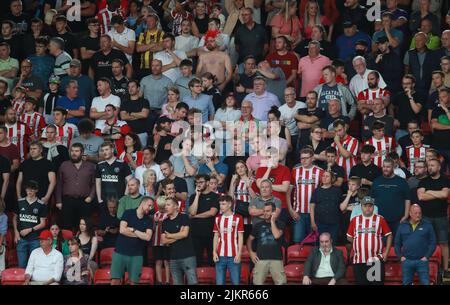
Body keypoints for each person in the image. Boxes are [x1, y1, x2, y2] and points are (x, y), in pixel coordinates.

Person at [347, 195, 392, 285]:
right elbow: (349, 236)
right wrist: (358, 243)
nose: (368, 208)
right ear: (361, 207)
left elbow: (389, 235)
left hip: (376, 260)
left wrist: (386, 253)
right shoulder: (355, 220)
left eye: (370, 206)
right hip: (359, 261)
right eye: (365, 206)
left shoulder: (380, 219)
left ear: (373, 207)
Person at [417, 158, 450, 278]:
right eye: (429, 165)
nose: (430, 167)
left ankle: (445, 269)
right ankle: (427, 267)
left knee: (444, 243)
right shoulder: (423, 181)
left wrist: (429, 192)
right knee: (425, 243)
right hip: (426, 217)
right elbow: (421, 197)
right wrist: (438, 193)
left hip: (441, 217)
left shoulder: (445, 180)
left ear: (439, 167)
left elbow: (445, 194)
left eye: (432, 165)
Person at [110, 196, 153, 285]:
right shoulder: (128, 213)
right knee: (115, 281)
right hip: (120, 252)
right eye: (149, 205)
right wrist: (140, 235)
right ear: (143, 203)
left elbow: (148, 237)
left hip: (137, 255)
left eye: (151, 207)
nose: (150, 208)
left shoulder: (148, 220)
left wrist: (133, 230)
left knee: (134, 282)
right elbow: (122, 230)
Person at [56, 143, 96, 231]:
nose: (74, 153)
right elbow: (59, 184)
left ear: (82, 153)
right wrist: (58, 200)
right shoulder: (64, 165)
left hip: (84, 201)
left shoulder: (90, 166)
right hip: (67, 201)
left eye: (76, 151)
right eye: (72, 151)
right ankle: (66, 245)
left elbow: (94, 183)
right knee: (66, 226)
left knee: (83, 228)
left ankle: (82, 244)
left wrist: (91, 196)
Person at [288, 147, 324, 243]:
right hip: (298, 213)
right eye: (301, 158)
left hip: (315, 213)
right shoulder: (295, 171)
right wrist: (291, 210)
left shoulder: (320, 172)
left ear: (312, 158)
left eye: (306, 158)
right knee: (297, 240)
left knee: (314, 241)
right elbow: (288, 191)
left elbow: (323, 192)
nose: (303, 160)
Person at [394, 204, 436, 285]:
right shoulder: (402, 226)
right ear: (410, 213)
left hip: (422, 261)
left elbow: (433, 242)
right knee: (406, 283)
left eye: (420, 213)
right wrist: (400, 256)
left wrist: (427, 256)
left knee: (425, 283)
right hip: (407, 261)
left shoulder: (427, 225)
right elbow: (397, 243)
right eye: (416, 213)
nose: (418, 215)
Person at [247, 201, 286, 285]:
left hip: (276, 259)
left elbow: (276, 235)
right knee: (257, 283)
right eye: (264, 211)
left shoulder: (281, 224)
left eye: (268, 211)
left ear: (274, 212)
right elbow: (249, 239)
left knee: (281, 283)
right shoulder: (258, 225)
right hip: (261, 260)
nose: (265, 213)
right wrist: (251, 252)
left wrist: (272, 221)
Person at [161, 197, 198, 285]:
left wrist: (170, 236)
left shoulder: (184, 217)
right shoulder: (165, 222)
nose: (166, 207)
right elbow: (164, 241)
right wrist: (179, 235)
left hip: (188, 257)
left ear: (176, 207)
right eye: (165, 205)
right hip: (173, 258)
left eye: (168, 205)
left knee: (192, 282)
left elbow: (184, 234)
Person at [371, 158, 411, 236]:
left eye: (388, 167)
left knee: (398, 244)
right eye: (384, 167)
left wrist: (406, 215)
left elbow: (407, 199)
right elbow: (372, 199)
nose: (385, 169)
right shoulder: (376, 181)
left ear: (393, 167)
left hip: (398, 220)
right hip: (380, 219)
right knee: (382, 244)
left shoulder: (402, 181)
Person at [13, 180, 47, 268]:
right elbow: (14, 219)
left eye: (32, 190)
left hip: (35, 239)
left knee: (34, 265)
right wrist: (16, 233)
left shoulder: (41, 204)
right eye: (28, 189)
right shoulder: (20, 202)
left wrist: (29, 230)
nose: (29, 192)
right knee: (22, 265)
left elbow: (43, 223)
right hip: (21, 239)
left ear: (36, 190)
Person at [188, 174, 219, 266]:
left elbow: (212, 212)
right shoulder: (193, 196)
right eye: (197, 182)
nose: (198, 184)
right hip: (196, 234)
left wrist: (196, 216)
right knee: (197, 261)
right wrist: (197, 195)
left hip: (211, 233)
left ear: (208, 182)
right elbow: (192, 212)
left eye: (201, 182)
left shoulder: (215, 196)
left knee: (212, 260)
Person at [213, 195, 244, 285]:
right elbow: (215, 236)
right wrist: (214, 252)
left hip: (234, 256)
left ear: (230, 204)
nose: (221, 206)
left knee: (236, 282)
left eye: (223, 204)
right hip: (220, 255)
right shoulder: (217, 218)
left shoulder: (238, 218)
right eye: (220, 204)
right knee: (219, 283)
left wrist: (239, 254)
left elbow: (241, 237)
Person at [310, 170, 342, 242]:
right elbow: (312, 207)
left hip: (334, 223)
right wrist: (312, 221)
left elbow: (341, 206)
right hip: (319, 222)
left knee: (333, 243)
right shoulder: (316, 191)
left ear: (332, 179)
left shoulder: (337, 191)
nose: (324, 178)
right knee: (320, 244)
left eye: (327, 176)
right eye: (323, 176)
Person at [403, 32, 438, 96]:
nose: (417, 42)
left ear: (425, 41)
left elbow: (434, 71)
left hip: (428, 86)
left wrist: (433, 87)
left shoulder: (432, 54)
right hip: (413, 87)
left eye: (420, 40)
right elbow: (406, 70)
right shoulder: (409, 53)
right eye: (416, 40)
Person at [391, 75, 426, 140]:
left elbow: (416, 110)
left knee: (415, 149)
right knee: (400, 149)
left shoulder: (420, 95)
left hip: (415, 130)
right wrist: (393, 119)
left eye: (408, 83)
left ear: (413, 84)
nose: (405, 86)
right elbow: (391, 106)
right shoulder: (399, 95)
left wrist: (410, 96)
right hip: (401, 129)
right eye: (403, 83)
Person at [136, 14, 165, 78]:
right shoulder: (142, 34)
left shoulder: (161, 33)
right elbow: (138, 49)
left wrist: (144, 46)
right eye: (147, 21)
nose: (148, 23)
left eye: (151, 21)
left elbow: (160, 48)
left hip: (157, 67)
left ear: (156, 22)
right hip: (144, 67)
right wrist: (153, 44)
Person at [152, 196, 170, 285]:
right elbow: (153, 228)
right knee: (158, 261)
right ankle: (159, 281)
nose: (161, 209)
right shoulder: (156, 214)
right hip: (156, 241)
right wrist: (155, 223)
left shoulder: (168, 214)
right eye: (159, 208)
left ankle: (167, 281)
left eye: (163, 207)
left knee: (166, 261)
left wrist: (161, 222)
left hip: (166, 242)